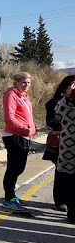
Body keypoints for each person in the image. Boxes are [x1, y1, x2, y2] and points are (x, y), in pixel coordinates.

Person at [1, 71, 36, 211]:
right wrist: (24, 128)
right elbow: (9, 118)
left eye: (28, 82)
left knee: (19, 167)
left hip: (24, 136)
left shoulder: (24, 96)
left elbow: (26, 115)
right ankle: (8, 199)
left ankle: (12, 196)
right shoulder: (11, 95)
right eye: (23, 82)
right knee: (13, 168)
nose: (26, 85)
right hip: (14, 135)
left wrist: (32, 128)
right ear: (16, 82)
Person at [43, 75, 75, 211]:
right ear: (66, 86)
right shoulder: (58, 101)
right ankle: (60, 200)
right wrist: (60, 126)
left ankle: (70, 202)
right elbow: (51, 119)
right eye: (72, 85)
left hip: (68, 142)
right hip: (62, 142)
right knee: (61, 171)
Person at [54, 85, 75, 223]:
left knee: (69, 180)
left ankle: (72, 213)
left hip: (68, 144)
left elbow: (56, 116)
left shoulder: (63, 104)